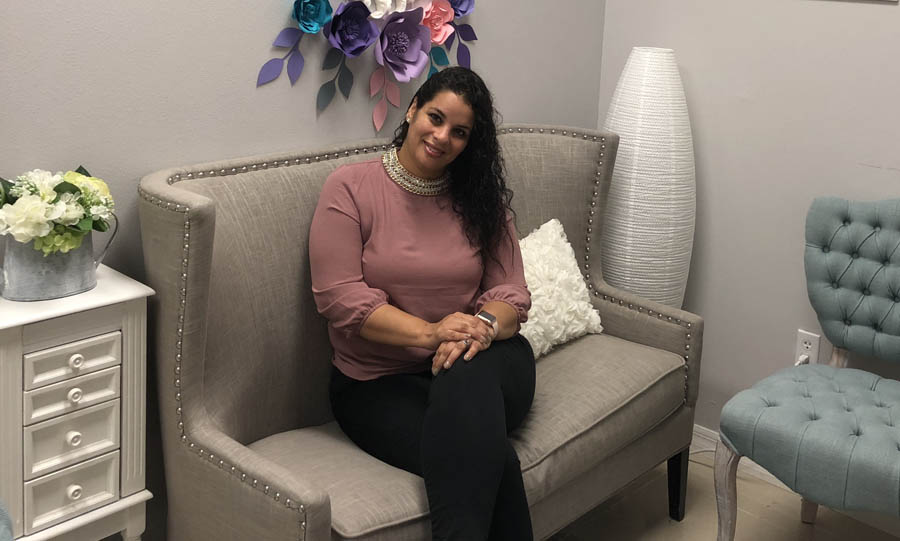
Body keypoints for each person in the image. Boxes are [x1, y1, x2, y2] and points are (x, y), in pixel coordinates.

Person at [309, 67, 535, 541]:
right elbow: (340, 298)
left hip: (487, 361)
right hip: (376, 384)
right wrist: (433, 333)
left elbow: (511, 294)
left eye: (460, 132)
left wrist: (482, 329)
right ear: (412, 110)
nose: (442, 137)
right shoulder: (350, 188)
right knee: (488, 456)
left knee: (464, 369)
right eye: (435, 118)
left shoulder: (481, 200)